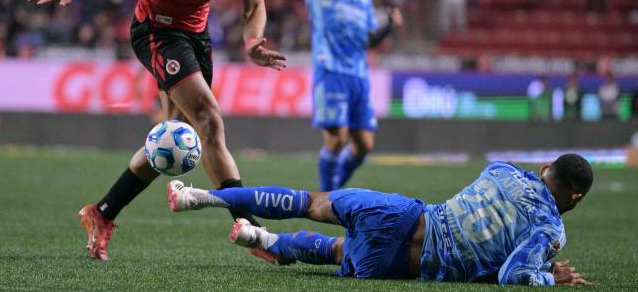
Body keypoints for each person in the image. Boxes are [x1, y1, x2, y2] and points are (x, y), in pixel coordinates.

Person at [25, 0, 286, 261]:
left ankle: (102, 212)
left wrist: (252, 41)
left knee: (172, 138)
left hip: (195, 36)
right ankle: (250, 230)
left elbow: (254, 7)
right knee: (209, 121)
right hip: (156, 30)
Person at [167, 153, 593, 286]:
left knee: (309, 201)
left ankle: (202, 197)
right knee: (338, 251)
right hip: (412, 264)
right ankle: (264, 239)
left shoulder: (501, 170)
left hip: (407, 217)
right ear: (574, 196)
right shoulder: (549, 230)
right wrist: (549, 276)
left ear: (544, 172)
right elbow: (512, 275)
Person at [286, 0, 403, 192]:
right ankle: (328, 197)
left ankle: (337, 189)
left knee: (364, 145)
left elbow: (367, 41)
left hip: (359, 76)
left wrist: (389, 26)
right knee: (337, 139)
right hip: (330, 71)